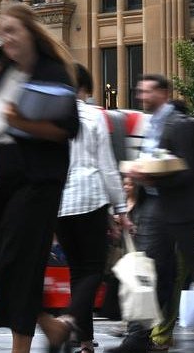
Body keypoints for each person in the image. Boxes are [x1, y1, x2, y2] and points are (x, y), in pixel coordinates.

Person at [0, 2, 79, 353]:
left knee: (22, 261)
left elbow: (67, 129)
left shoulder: (53, 72)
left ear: (30, 32)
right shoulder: (2, 70)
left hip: (37, 179)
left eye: (12, 31)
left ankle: (23, 346)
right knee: (1, 262)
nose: (7, 38)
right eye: (2, 32)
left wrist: (23, 124)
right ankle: (51, 325)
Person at [107, 74, 194, 353]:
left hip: (176, 207)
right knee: (157, 273)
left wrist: (151, 176)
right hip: (158, 207)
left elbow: (186, 169)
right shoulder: (154, 123)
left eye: (148, 92)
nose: (142, 97)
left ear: (165, 93)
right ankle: (139, 336)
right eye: (140, 91)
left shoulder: (177, 124)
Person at [38, 64, 129, 353]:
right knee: (92, 270)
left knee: (78, 272)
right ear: (85, 88)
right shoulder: (92, 115)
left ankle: (85, 341)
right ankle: (67, 323)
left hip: (60, 203)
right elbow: (106, 165)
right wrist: (121, 207)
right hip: (89, 198)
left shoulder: (50, 116)